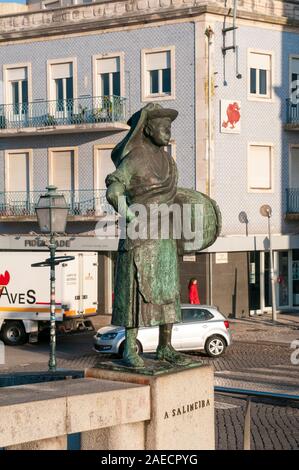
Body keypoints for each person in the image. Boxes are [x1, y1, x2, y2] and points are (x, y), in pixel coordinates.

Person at [106, 103, 221, 368]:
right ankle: (129, 351)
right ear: (147, 129)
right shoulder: (134, 158)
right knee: (136, 291)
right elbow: (114, 187)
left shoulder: (169, 162)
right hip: (140, 235)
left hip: (167, 234)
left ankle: (165, 347)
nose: (168, 133)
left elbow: (176, 196)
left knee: (169, 292)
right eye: (163, 128)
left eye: (170, 128)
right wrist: (128, 212)